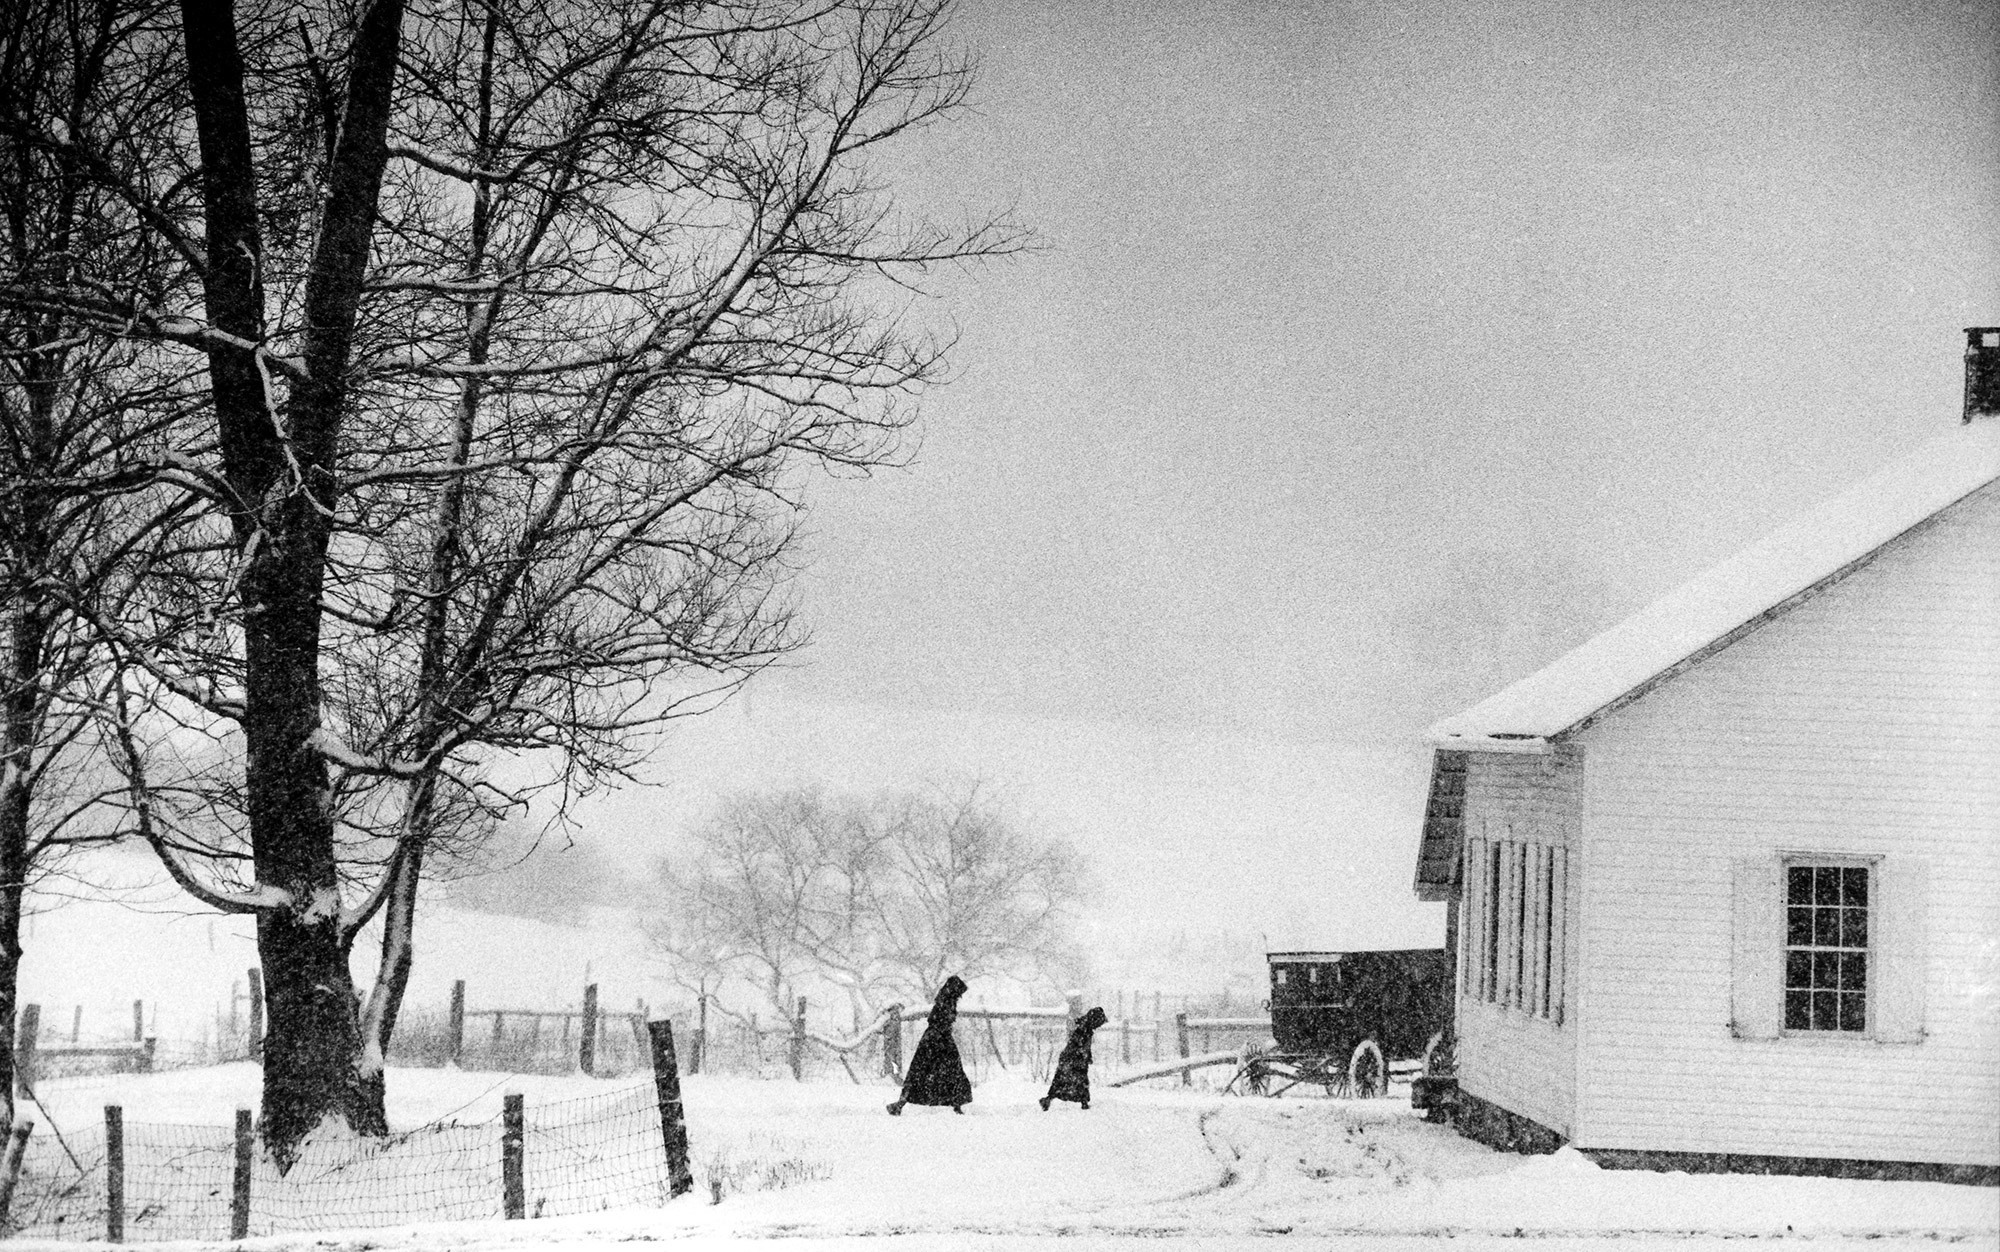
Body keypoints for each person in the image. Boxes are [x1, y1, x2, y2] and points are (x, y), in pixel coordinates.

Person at [888, 975, 973, 1115]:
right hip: (937, 1040)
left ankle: (900, 1104)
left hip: (936, 1039)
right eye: (959, 993)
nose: (960, 997)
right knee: (947, 1072)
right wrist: (942, 1037)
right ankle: (956, 1105)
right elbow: (937, 1021)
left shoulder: (944, 1001)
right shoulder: (946, 1002)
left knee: (924, 1073)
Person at [1040, 1005, 1106, 1111]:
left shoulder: (1086, 1027)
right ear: (1095, 1020)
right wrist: (1082, 1055)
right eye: (1099, 1023)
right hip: (1072, 1059)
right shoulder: (1084, 1028)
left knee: (1064, 1081)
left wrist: (1087, 1056)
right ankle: (1083, 1103)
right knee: (1075, 1081)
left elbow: (1084, 1045)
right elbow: (1078, 1044)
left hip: (1072, 1059)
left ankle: (1048, 1100)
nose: (1099, 1026)